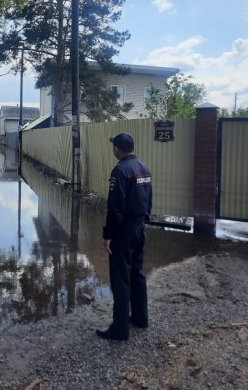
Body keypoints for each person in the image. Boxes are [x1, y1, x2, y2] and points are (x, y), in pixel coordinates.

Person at [96, 132, 152, 341]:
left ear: (117, 149)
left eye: (114, 147)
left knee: (121, 279)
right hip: (140, 229)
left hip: (124, 232)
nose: (113, 150)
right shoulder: (144, 168)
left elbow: (115, 207)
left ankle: (120, 329)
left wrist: (108, 235)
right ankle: (140, 318)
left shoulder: (120, 171)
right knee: (137, 273)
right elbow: (149, 200)